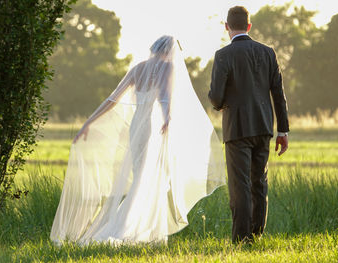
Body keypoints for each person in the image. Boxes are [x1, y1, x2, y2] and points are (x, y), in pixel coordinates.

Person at [50, 35, 225, 245]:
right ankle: (131, 228)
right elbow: (164, 96)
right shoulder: (167, 68)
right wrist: (167, 117)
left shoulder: (137, 68)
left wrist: (89, 122)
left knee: (142, 176)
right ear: (169, 52)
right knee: (149, 177)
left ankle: (139, 227)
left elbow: (112, 99)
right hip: (154, 128)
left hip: (137, 127)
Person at [209, 6, 289, 243]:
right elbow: (278, 94)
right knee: (259, 182)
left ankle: (241, 239)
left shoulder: (223, 55)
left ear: (226, 27)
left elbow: (215, 97)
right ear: (249, 26)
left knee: (239, 185)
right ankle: (256, 234)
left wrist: (219, 103)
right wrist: (282, 130)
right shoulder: (268, 52)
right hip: (264, 127)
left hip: (236, 129)